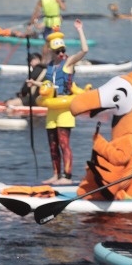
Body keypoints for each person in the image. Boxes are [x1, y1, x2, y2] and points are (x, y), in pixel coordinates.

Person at [39, 20, 89, 184]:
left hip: (65, 109)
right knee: (52, 144)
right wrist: (36, 84)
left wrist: (80, 30)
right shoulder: (50, 66)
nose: (61, 53)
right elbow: (49, 84)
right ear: (53, 51)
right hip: (52, 109)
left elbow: (84, 50)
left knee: (63, 142)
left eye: (63, 50)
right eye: (58, 51)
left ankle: (67, 176)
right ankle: (56, 174)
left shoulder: (68, 63)